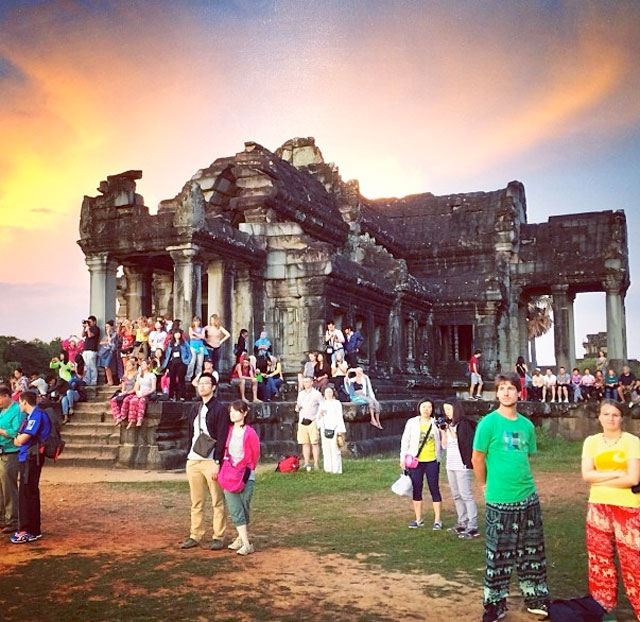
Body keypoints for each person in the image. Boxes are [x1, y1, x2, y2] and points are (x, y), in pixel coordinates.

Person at [472, 372, 549, 622]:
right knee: (498, 555)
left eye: (511, 388)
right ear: (497, 393)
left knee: (532, 551)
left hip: (527, 497)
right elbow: (477, 458)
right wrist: (484, 486)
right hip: (499, 499)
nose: (506, 392)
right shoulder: (488, 423)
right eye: (502, 388)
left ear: (519, 392)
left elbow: (525, 457)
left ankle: (535, 596)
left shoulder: (526, 425)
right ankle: (495, 604)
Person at [581, 399, 640, 621]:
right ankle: (604, 609)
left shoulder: (632, 441)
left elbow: (633, 478)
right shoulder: (591, 442)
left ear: (622, 418)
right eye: (606, 414)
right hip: (598, 506)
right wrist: (616, 475)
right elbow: (586, 475)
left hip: (628, 507)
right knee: (599, 560)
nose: (610, 419)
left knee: (633, 561)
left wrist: (600, 479)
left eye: (615, 415)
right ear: (599, 417)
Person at [181, 372, 229, 551]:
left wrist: (217, 460)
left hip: (211, 460)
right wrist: (188, 454)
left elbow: (222, 435)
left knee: (217, 499)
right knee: (196, 500)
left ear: (214, 387)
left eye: (206, 383)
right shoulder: (195, 408)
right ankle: (195, 534)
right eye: (200, 383)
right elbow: (190, 433)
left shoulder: (220, 409)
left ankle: (218, 535)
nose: (202, 386)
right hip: (194, 459)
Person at [11, 391, 52, 544]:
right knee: (28, 491)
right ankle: (32, 529)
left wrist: (18, 439)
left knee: (27, 492)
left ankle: (28, 529)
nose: (19, 405)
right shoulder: (32, 416)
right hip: (28, 457)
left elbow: (22, 438)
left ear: (25, 402)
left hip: (31, 458)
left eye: (19, 402)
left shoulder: (37, 415)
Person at [221, 400, 260, 556]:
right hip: (229, 473)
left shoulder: (250, 433)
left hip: (245, 474)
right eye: (231, 412)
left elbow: (255, 454)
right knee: (235, 508)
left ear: (244, 413)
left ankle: (241, 537)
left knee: (243, 507)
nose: (232, 414)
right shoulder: (228, 431)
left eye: (236, 411)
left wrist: (246, 467)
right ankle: (245, 542)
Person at [400, 398, 443, 530]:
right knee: (416, 488)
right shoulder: (412, 422)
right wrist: (403, 458)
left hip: (432, 460)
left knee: (434, 488)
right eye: (424, 407)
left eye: (429, 407)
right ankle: (418, 519)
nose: (426, 410)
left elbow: (442, 440)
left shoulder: (436, 423)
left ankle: (437, 520)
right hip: (415, 461)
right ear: (419, 408)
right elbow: (405, 440)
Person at [441, 398, 478, 539]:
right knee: (456, 495)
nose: (447, 413)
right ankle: (462, 522)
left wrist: (450, 430)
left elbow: (462, 442)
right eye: (445, 410)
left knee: (466, 495)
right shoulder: (449, 425)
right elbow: (445, 445)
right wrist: (444, 431)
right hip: (450, 464)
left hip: (462, 465)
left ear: (456, 409)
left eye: (449, 409)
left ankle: (473, 526)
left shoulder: (464, 425)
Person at [0, 386, 26, 535]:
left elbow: (17, 431)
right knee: (1, 486)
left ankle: (12, 518)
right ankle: (3, 516)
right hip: (2, 450)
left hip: (11, 452)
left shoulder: (16, 410)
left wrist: (2, 431)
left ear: (6, 396)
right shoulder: (3, 411)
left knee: (8, 486)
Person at [295, 376, 322, 472]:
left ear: (311, 383)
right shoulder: (301, 394)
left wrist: (319, 417)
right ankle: (306, 463)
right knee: (305, 443)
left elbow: (322, 406)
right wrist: (297, 408)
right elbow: (298, 405)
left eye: (307, 382)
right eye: (304, 382)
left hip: (313, 420)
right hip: (302, 420)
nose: (305, 383)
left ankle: (316, 464)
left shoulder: (317, 394)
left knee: (314, 443)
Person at [317, 386, 346, 474]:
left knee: (335, 449)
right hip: (325, 428)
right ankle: (328, 468)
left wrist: (340, 430)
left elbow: (339, 417)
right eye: (327, 392)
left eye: (330, 392)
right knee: (326, 449)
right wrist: (320, 414)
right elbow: (318, 417)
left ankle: (337, 469)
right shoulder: (322, 404)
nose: (329, 394)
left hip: (335, 428)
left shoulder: (337, 403)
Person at [122, 359, 156, 429]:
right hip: (140, 392)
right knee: (133, 401)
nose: (142, 366)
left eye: (144, 364)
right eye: (142, 364)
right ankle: (131, 419)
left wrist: (145, 393)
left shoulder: (152, 375)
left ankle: (140, 419)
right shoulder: (139, 376)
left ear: (148, 365)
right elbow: (136, 387)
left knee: (142, 401)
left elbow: (153, 388)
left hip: (148, 393)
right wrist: (138, 393)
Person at [162, 330, 192, 401]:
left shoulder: (184, 343)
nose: (177, 335)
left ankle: (182, 395)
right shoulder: (170, 343)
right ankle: (171, 395)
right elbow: (167, 354)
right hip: (173, 363)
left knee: (181, 379)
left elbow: (189, 353)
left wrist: (187, 361)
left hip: (181, 363)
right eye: (176, 334)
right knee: (172, 379)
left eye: (178, 333)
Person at [110, 359, 138, 424]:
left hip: (133, 392)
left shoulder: (137, 375)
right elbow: (123, 386)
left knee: (126, 400)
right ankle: (117, 416)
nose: (127, 367)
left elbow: (135, 388)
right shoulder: (125, 376)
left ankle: (123, 416)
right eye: (126, 365)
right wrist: (123, 392)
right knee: (113, 400)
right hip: (125, 392)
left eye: (129, 365)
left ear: (133, 366)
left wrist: (128, 392)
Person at [97, 320, 119, 386]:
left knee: (107, 366)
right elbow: (101, 342)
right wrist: (107, 340)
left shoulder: (115, 334)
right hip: (105, 352)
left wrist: (108, 336)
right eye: (106, 327)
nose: (107, 328)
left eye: (108, 327)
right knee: (105, 367)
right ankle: (109, 381)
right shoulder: (105, 335)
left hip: (111, 352)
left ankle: (111, 381)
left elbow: (111, 342)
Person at [81, 315, 100, 386]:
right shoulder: (88, 328)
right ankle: (87, 381)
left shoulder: (96, 329)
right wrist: (84, 327)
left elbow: (90, 335)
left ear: (94, 322)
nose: (89, 323)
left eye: (90, 322)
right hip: (85, 350)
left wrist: (88, 328)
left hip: (92, 350)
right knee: (87, 367)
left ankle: (93, 381)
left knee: (92, 366)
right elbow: (83, 335)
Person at [186, 316, 206, 383]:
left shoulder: (202, 329)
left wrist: (195, 334)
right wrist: (198, 336)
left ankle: (198, 376)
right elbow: (191, 337)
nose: (196, 323)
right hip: (193, 346)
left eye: (198, 321)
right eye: (195, 321)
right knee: (192, 362)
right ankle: (188, 376)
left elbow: (203, 337)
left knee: (200, 363)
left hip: (200, 346)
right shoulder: (191, 328)